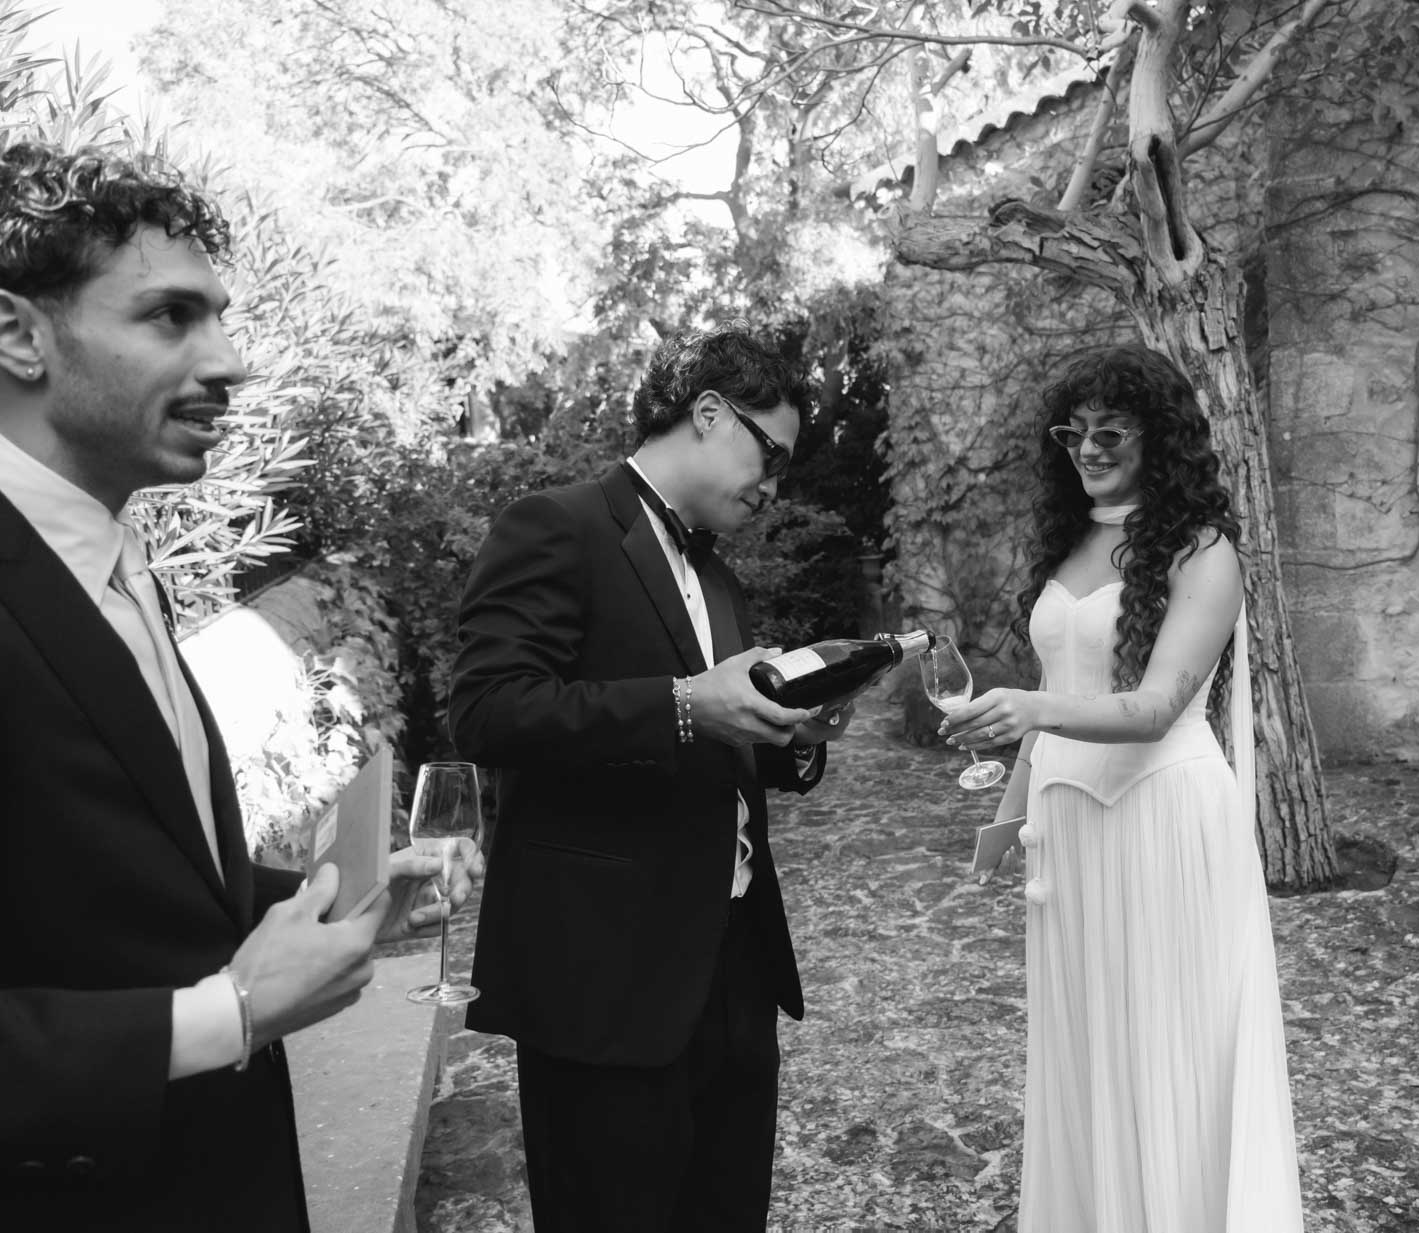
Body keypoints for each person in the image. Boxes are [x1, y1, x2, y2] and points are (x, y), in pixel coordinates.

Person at [0, 141, 477, 1231]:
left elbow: (128, 901)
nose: (231, 361)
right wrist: (231, 1014)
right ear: (20, 336)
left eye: (219, 316)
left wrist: (334, 906)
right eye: (170, 316)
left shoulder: (114, 560)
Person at [449, 325, 849, 1232]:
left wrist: (797, 735)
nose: (775, 485)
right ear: (709, 412)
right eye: (772, 455)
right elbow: (489, 709)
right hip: (605, 981)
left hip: (736, 970)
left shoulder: (718, 575)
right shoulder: (554, 525)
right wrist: (683, 703)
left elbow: (723, 737)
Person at [941, 344, 1303, 1231]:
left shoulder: (1202, 551)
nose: (1088, 449)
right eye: (1073, 433)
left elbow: (1154, 708)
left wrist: (1029, 707)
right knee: (1087, 1044)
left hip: (1164, 817)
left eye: (1111, 431)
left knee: (1168, 1043)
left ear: (1159, 436)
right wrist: (1004, 824)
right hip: (1065, 832)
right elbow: (1058, 687)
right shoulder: (1069, 541)